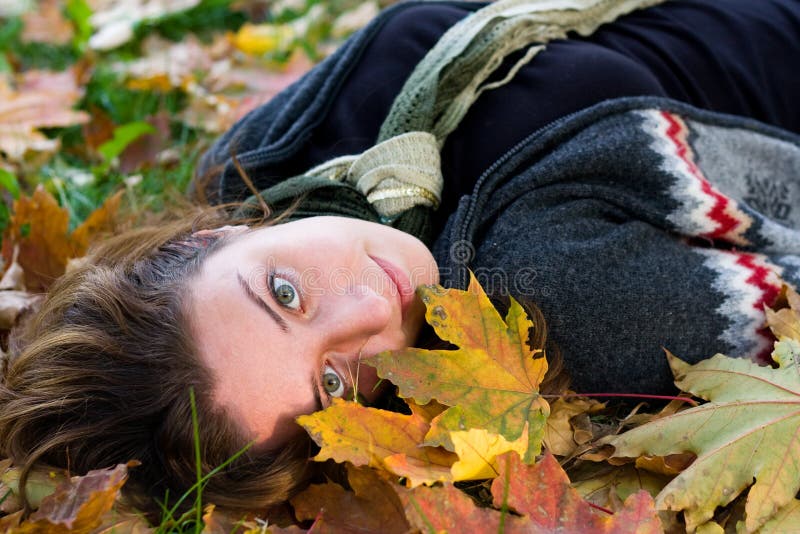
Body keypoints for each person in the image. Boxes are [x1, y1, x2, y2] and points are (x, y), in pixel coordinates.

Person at [2, 0, 800, 519]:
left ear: (210, 237)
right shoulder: (544, 298)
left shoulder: (270, 156)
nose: (370, 312)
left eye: (283, 293)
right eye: (334, 382)